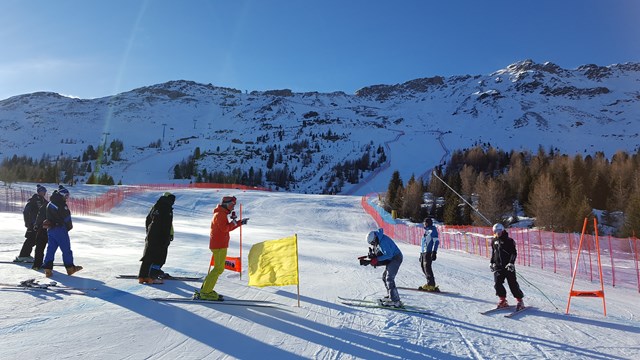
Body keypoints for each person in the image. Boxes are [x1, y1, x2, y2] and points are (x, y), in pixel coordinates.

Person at [194, 196, 248, 301]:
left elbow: (226, 227)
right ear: (226, 204)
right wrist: (235, 222)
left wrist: (239, 222)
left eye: (234, 205)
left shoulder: (221, 214)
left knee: (218, 268)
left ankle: (206, 289)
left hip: (220, 244)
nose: (233, 208)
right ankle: (205, 292)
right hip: (219, 245)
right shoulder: (219, 214)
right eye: (232, 205)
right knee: (218, 269)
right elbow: (225, 229)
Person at [42, 185, 82, 277]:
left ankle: (47, 268)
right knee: (66, 249)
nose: (67, 198)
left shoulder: (50, 203)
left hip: (51, 229)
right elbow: (67, 218)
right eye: (66, 195)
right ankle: (70, 268)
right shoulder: (61, 204)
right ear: (62, 194)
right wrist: (69, 227)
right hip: (60, 229)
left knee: (51, 249)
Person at [360, 228, 404, 308]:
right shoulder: (379, 240)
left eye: (373, 243)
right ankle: (391, 295)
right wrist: (371, 257)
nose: (373, 245)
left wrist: (376, 259)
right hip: (392, 258)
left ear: (375, 238)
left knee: (389, 278)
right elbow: (380, 253)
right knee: (384, 277)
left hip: (396, 258)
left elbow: (389, 255)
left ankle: (395, 301)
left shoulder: (383, 242)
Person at [138, 192, 176, 284]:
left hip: (154, 234)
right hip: (160, 235)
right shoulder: (165, 208)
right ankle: (151, 275)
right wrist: (166, 236)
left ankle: (144, 275)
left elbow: (149, 220)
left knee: (149, 254)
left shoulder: (157, 206)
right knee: (158, 255)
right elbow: (166, 224)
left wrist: (149, 232)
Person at [490, 223, 525, 310]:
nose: (497, 233)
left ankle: (520, 301)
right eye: (495, 231)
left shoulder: (509, 240)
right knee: (497, 283)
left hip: (508, 266)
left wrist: (511, 263)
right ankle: (503, 300)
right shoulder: (494, 241)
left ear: (502, 230)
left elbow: (514, 253)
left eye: (499, 231)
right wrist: (492, 262)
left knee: (512, 284)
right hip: (498, 266)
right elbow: (494, 253)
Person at [15, 185, 48, 263]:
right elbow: (26, 212)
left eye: (45, 191)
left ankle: (26, 255)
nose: (44, 193)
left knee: (36, 240)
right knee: (31, 239)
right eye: (42, 191)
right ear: (39, 192)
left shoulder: (44, 201)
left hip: (41, 225)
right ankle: (23, 255)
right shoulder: (33, 200)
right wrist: (28, 222)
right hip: (33, 224)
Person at [419, 217, 440, 292]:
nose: (424, 224)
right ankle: (429, 282)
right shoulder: (426, 231)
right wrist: (421, 254)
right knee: (423, 267)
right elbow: (423, 243)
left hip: (429, 252)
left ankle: (431, 284)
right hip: (424, 252)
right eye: (424, 223)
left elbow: (436, 241)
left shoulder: (432, 230)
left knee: (427, 267)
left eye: (426, 223)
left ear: (429, 223)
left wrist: (434, 252)